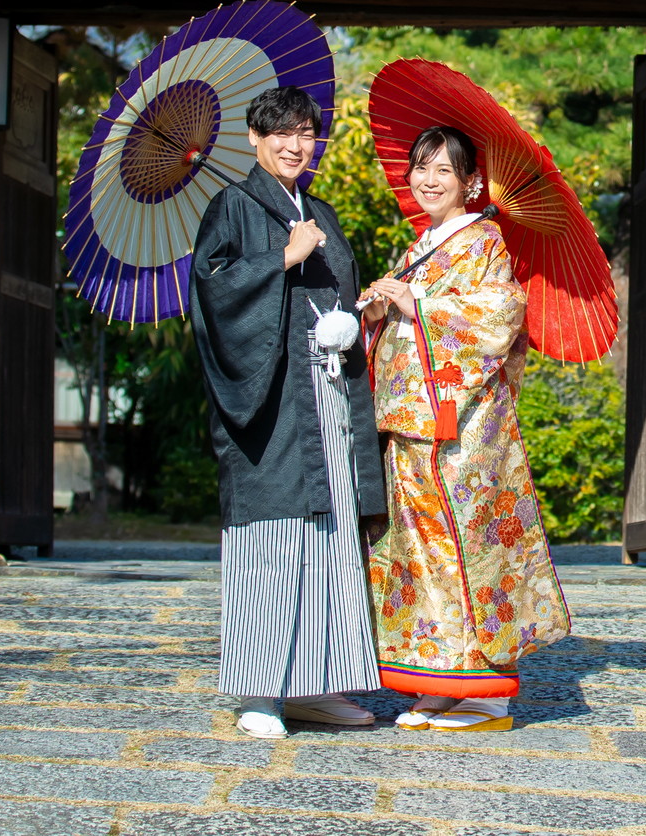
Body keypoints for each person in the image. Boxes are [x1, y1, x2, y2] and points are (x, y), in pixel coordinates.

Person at [189, 84, 385, 740]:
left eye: (304, 133)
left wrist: (357, 318)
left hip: (328, 392)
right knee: (273, 535)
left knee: (332, 533)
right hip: (270, 399)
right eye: (280, 133)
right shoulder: (232, 205)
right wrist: (281, 259)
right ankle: (261, 688)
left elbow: (336, 297)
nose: (294, 145)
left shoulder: (320, 210)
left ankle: (321, 684)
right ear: (254, 138)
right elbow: (214, 291)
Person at [361, 125, 569, 732]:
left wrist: (417, 306)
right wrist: (379, 307)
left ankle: (487, 694)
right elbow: (398, 321)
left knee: (463, 549)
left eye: (443, 171)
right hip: (411, 423)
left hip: (462, 430)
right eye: (420, 169)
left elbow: (501, 313)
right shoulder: (421, 243)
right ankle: (440, 679)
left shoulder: (483, 241)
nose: (427, 181)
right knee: (418, 553)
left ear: (470, 181)